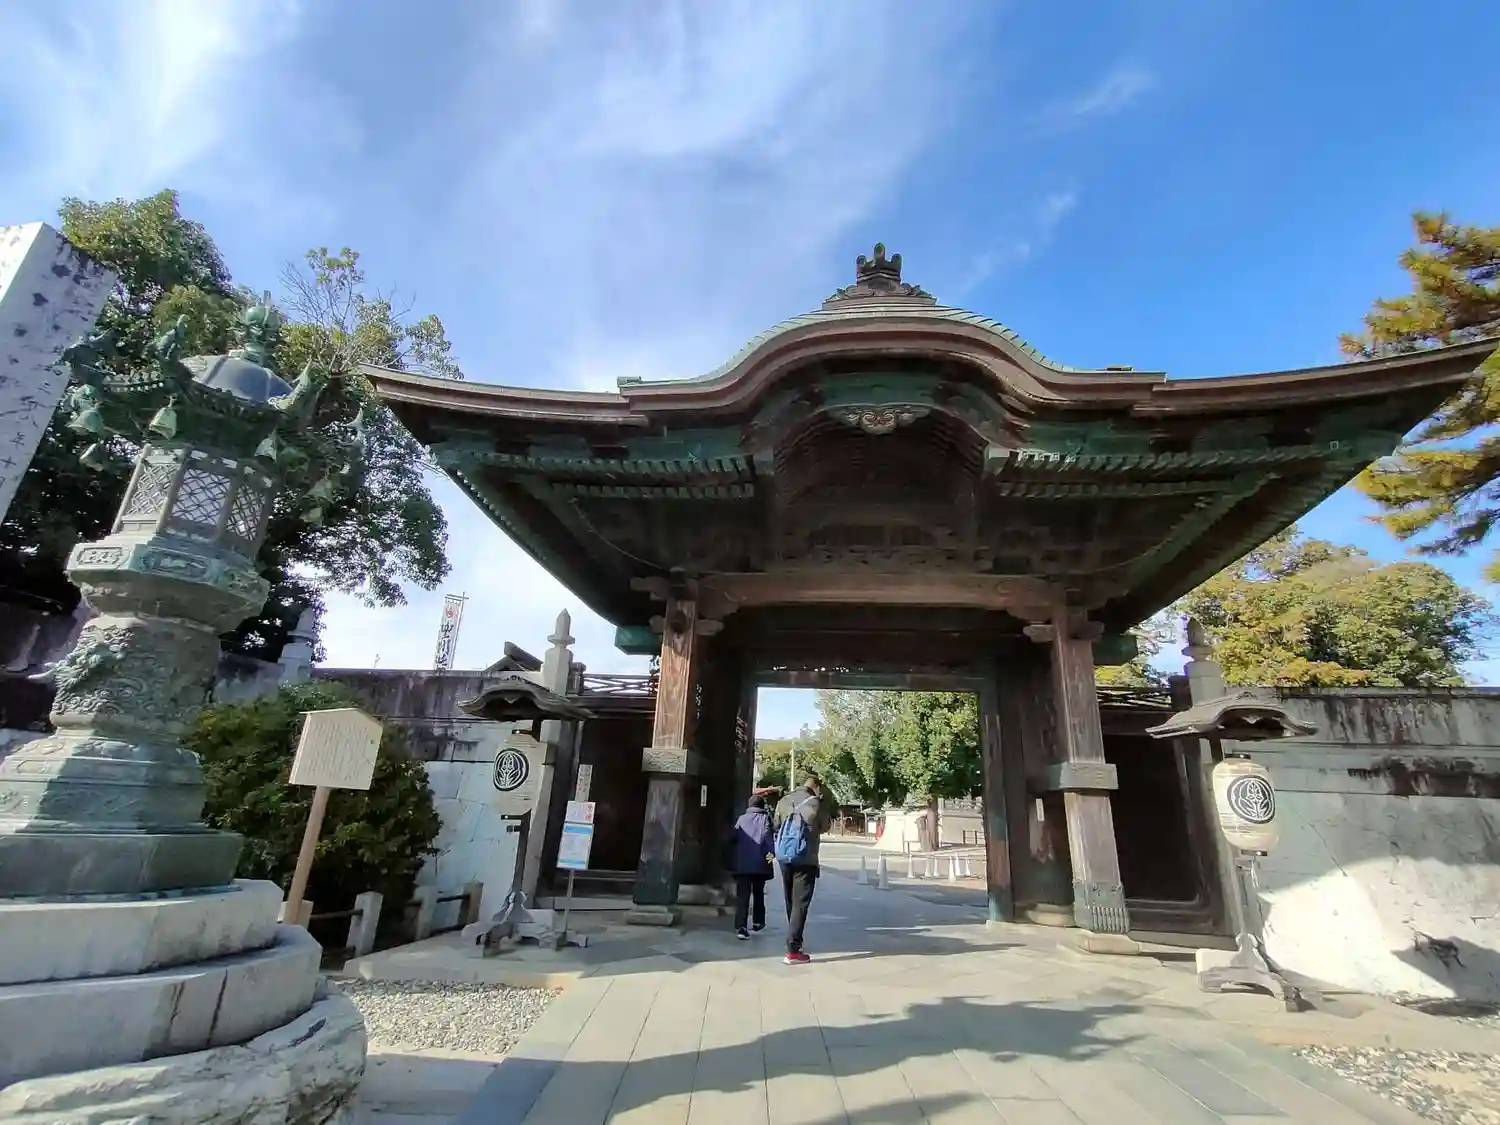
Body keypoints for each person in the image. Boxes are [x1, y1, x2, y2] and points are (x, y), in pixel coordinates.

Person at [772, 772, 834, 964]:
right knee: (801, 902)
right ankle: (793, 949)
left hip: (784, 856)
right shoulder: (816, 803)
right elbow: (825, 826)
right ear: (817, 786)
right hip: (806, 858)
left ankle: (793, 937)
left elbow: (776, 825)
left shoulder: (784, 800)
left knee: (790, 900)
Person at [729, 794, 774, 939]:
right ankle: (758, 921)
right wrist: (770, 855)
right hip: (760, 863)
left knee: (743, 895)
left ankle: (741, 927)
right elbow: (767, 838)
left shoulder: (741, 819)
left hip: (743, 863)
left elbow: (734, 838)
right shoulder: (765, 819)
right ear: (762, 806)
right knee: (758, 892)